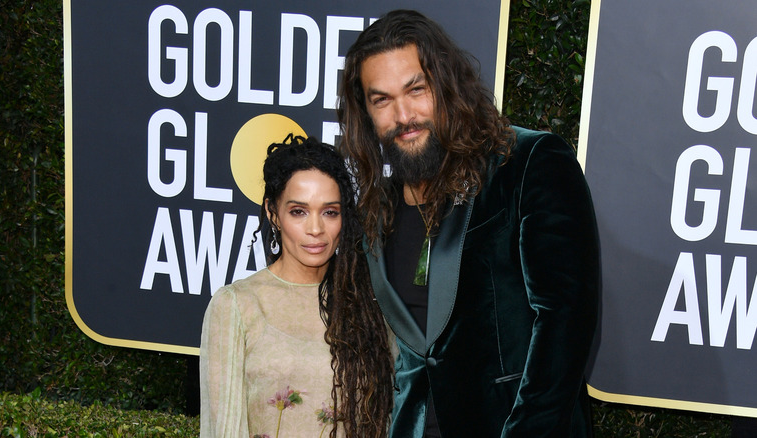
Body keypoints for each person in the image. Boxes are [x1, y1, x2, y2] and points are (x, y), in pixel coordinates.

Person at [337, 9, 600, 437]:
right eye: (381, 99)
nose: (403, 115)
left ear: (445, 83)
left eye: (416, 90)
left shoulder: (527, 163)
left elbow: (564, 323)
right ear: (365, 111)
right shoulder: (376, 208)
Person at [199, 135, 393, 437]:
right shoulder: (236, 306)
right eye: (298, 212)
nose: (315, 229)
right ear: (273, 213)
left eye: (330, 212)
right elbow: (223, 429)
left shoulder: (370, 305)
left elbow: (391, 416)